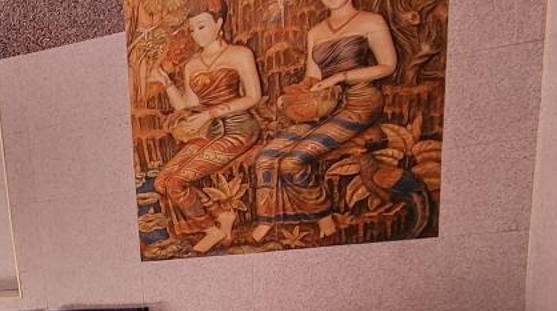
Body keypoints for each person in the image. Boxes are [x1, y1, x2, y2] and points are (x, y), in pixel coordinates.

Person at [248, 0, 398, 242]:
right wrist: (293, 95)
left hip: (359, 102)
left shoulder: (371, 21)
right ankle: (268, 219)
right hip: (324, 105)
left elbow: (388, 66)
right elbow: (313, 77)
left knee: (292, 162)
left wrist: (341, 77)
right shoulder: (316, 31)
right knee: (266, 157)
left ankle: (323, 217)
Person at [146, 6, 261, 255]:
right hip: (208, 132)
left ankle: (212, 230)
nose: (196, 34)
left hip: (239, 128)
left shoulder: (240, 54)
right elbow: (188, 107)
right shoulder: (192, 65)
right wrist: (167, 83)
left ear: (219, 25)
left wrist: (209, 114)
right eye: (192, 30)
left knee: (177, 182)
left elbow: (253, 97)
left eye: (201, 26)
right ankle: (222, 215)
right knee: (162, 182)